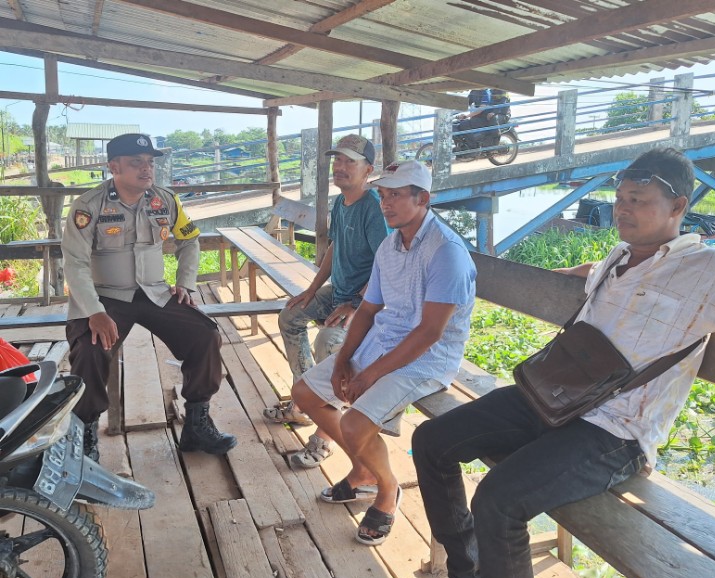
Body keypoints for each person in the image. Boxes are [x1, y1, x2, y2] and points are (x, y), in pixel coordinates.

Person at [411, 147, 715, 578]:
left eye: (639, 200)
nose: (623, 209)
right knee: (431, 441)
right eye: (620, 199)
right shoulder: (618, 255)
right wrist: (568, 272)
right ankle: (468, 574)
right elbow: (603, 277)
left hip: (614, 432)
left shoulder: (712, 272)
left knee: (498, 502)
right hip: (553, 397)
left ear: (678, 208)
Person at [292, 160, 476, 546]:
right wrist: (343, 360)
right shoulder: (390, 246)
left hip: (430, 357)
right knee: (305, 394)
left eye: (396, 195)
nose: (385, 203)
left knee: (353, 425)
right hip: (385, 340)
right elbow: (369, 310)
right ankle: (363, 473)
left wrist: (368, 375)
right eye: (383, 194)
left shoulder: (446, 252)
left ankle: (387, 490)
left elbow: (429, 332)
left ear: (422, 199)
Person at [62, 133, 237, 462]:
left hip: (154, 292)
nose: (146, 169)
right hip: (105, 297)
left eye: (149, 163)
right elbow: (75, 263)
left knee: (206, 334)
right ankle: (84, 433)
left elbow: (190, 242)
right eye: (135, 163)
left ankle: (197, 423)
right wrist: (95, 312)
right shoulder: (88, 205)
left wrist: (185, 283)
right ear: (114, 166)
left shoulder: (166, 200)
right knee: (89, 348)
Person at [264, 134, 389, 469]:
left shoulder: (373, 206)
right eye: (338, 160)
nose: (341, 167)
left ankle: (325, 435)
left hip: (368, 303)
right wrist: (312, 288)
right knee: (290, 316)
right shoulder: (341, 202)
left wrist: (355, 306)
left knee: (329, 342)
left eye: (350, 161)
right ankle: (304, 399)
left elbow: (384, 265)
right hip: (338, 291)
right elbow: (333, 248)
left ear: (368, 170)